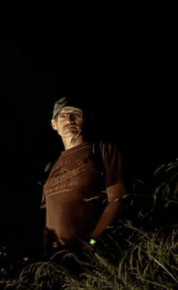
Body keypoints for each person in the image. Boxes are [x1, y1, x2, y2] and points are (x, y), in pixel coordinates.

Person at [41, 97, 126, 254]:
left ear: (85, 119)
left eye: (75, 114)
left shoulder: (102, 151)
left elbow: (118, 200)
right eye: (62, 115)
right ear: (54, 124)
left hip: (92, 253)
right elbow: (46, 216)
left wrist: (93, 241)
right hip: (57, 257)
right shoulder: (50, 168)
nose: (69, 120)